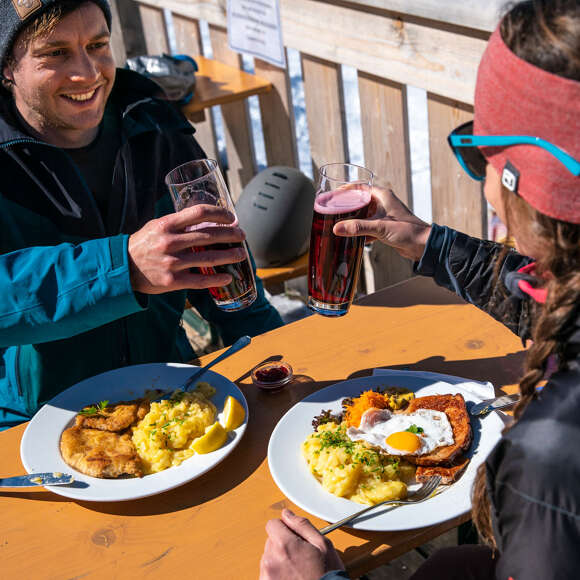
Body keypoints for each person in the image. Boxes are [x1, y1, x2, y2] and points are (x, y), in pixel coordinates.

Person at [260, 0, 579, 578]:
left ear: (528, 180)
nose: (483, 185)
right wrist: (429, 243)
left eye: (485, 153)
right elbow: (551, 304)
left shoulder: (553, 457)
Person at [0, 0, 283, 430]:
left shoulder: (153, 122)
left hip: (170, 399)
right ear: (6, 68)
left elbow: (222, 267)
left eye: (97, 44)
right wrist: (123, 268)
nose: (88, 73)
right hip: (39, 420)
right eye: (55, 53)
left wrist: (275, 357)